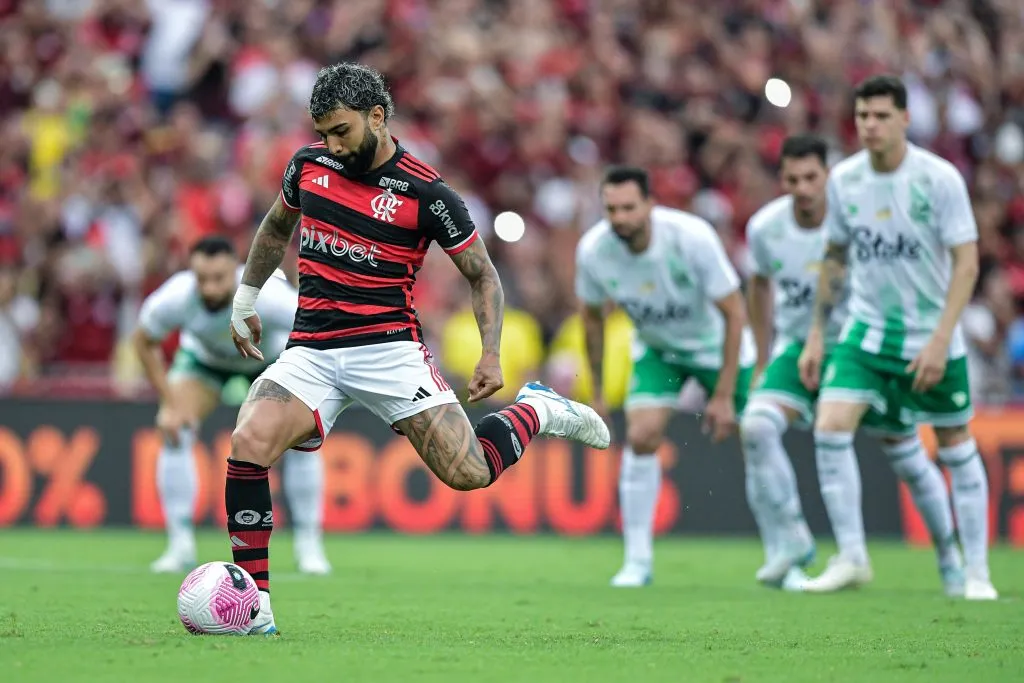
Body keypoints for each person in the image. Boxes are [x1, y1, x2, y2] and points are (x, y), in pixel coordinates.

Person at [226, 63, 610, 635]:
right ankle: (253, 607)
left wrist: (490, 354)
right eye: (323, 132)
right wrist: (245, 298)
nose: (330, 144)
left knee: (469, 473)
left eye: (341, 131)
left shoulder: (428, 193)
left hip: (389, 350)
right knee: (248, 440)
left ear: (377, 117)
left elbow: (483, 275)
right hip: (312, 348)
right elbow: (276, 228)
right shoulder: (308, 168)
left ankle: (539, 408)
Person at [798, 75, 997, 599]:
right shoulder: (844, 179)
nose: (870, 125)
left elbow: (967, 262)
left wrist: (940, 340)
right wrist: (818, 334)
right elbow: (836, 256)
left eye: (881, 116)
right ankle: (853, 557)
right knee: (831, 424)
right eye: (863, 116)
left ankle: (972, 571)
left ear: (905, 119)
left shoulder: (938, 179)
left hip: (931, 337)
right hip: (866, 332)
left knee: (953, 444)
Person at [743, 134, 963, 594]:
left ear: (828, 176)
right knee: (757, 426)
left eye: (811, 178)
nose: (802, 188)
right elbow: (759, 286)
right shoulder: (765, 228)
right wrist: (763, 358)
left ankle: (950, 557)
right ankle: (794, 539)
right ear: (780, 180)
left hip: (862, 347)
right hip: (800, 346)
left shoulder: (858, 219)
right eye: (792, 179)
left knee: (907, 458)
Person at [576, 166, 754, 588]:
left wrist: (724, 395)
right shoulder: (594, 251)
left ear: (650, 205)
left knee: (760, 435)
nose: (619, 218)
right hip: (659, 350)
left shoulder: (690, 238)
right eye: (611, 209)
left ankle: (789, 550)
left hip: (716, 346)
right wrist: (598, 391)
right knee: (641, 436)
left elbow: (734, 312)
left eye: (628, 208)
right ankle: (637, 560)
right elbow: (591, 321)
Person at [134, 236, 330, 575]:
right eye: (201, 279)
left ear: (237, 273)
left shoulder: (268, 296)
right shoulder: (176, 296)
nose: (209, 288)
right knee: (172, 427)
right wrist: (171, 399)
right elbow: (143, 339)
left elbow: (315, 329)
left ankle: (309, 545)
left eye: (219, 279)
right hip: (205, 363)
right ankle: (179, 545)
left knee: (302, 441)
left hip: (267, 362)